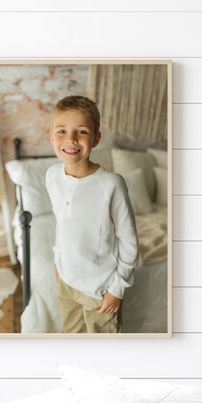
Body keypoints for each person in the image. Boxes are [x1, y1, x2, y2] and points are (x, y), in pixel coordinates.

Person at [45, 95, 139, 333]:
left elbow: (129, 243)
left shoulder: (111, 184)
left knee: (102, 352)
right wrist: (58, 260)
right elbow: (62, 224)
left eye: (82, 132)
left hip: (99, 289)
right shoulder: (52, 176)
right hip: (67, 282)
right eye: (62, 131)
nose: (71, 140)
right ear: (51, 137)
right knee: (70, 341)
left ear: (96, 138)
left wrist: (117, 289)